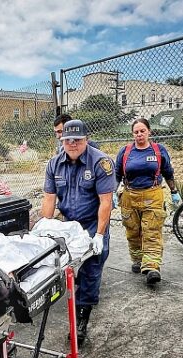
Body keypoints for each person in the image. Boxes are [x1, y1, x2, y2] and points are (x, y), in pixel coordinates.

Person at [42, 119, 115, 345]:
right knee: (66, 269)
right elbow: (49, 200)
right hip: (69, 225)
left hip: (93, 222)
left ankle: (82, 319)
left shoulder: (100, 163)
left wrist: (99, 236)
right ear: (61, 139)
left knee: (91, 269)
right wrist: (45, 228)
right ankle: (77, 301)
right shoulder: (54, 164)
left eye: (77, 139)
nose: (72, 144)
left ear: (86, 139)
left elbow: (106, 202)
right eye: (67, 139)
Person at [115, 118, 179, 285]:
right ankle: (137, 260)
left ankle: (152, 267)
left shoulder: (158, 150)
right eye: (136, 132)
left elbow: (168, 172)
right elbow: (116, 175)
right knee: (133, 231)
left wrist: (174, 192)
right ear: (133, 134)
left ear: (149, 132)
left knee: (151, 231)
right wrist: (113, 194)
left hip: (153, 195)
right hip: (129, 196)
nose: (139, 134)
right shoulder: (125, 152)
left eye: (142, 131)